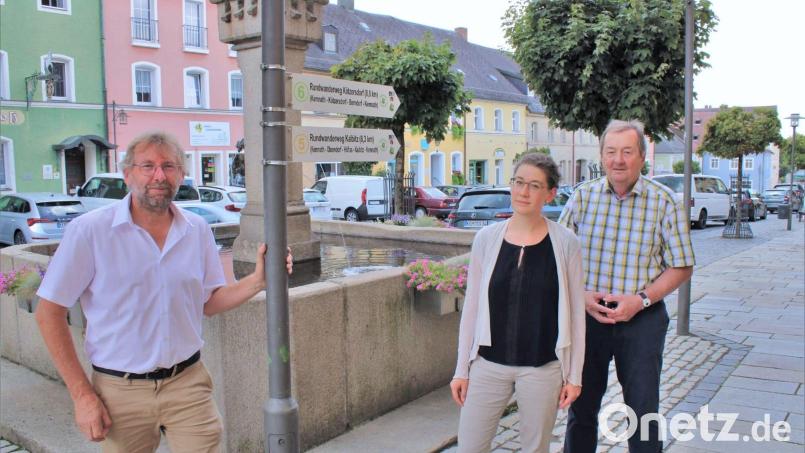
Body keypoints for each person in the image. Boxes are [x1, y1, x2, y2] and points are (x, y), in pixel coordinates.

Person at [34, 131, 292, 452]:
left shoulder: (196, 230)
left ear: (181, 175)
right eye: (147, 166)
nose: (159, 175)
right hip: (119, 391)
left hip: (188, 385)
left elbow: (209, 303)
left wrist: (258, 281)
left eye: (169, 166)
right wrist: (82, 395)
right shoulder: (90, 232)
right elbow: (49, 312)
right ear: (128, 174)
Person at [559, 120, 695, 453]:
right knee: (581, 407)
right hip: (589, 317)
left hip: (641, 319)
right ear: (602, 156)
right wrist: (583, 297)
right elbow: (558, 258)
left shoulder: (665, 202)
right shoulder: (582, 198)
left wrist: (641, 300)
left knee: (643, 409)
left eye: (627, 152)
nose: (618, 160)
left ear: (642, 157)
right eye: (611, 152)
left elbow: (682, 265)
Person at [450, 153, 587, 453]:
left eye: (535, 185)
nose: (524, 192)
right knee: (470, 446)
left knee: (535, 448)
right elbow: (472, 308)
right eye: (519, 182)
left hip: (542, 368)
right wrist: (462, 369)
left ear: (550, 193)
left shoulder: (566, 244)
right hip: (487, 364)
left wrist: (573, 376)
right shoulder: (486, 239)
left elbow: (577, 315)